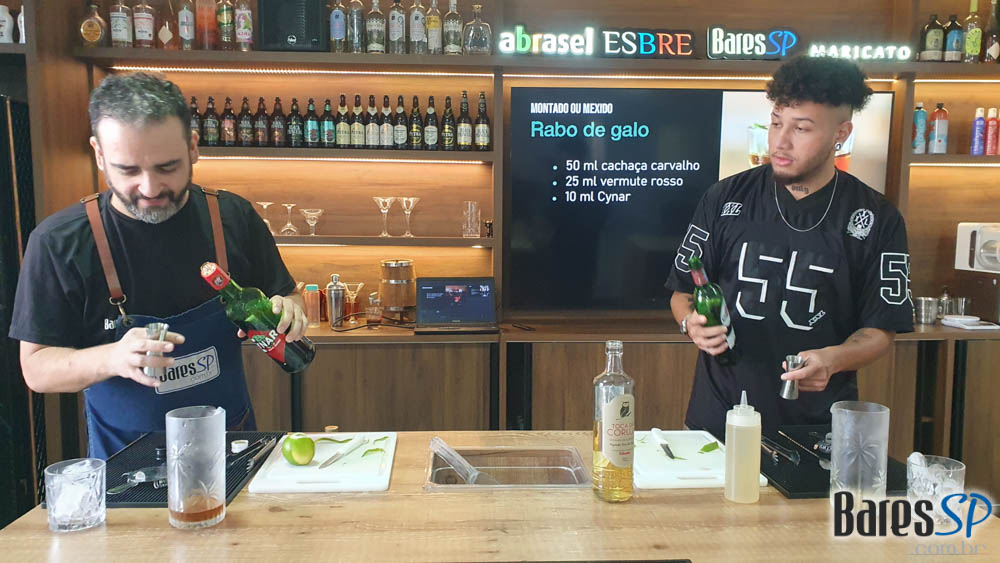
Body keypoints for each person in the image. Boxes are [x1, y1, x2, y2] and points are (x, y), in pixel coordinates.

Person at [9, 73, 308, 459]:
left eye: (167, 167)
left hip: (231, 448)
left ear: (193, 147)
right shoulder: (58, 242)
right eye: (128, 170)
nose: (150, 189)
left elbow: (288, 296)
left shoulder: (233, 217)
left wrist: (290, 312)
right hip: (124, 462)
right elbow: (36, 369)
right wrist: (112, 357)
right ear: (99, 154)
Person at [666, 57, 913, 439]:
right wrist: (690, 324)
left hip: (815, 428)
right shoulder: (725, 196)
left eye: (801, 128)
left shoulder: (877, 217)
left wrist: (833, 359)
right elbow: (682, 291)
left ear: (841, 133)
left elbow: (881, 330)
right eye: (776, 122)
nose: (780, 142)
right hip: (716, 418)